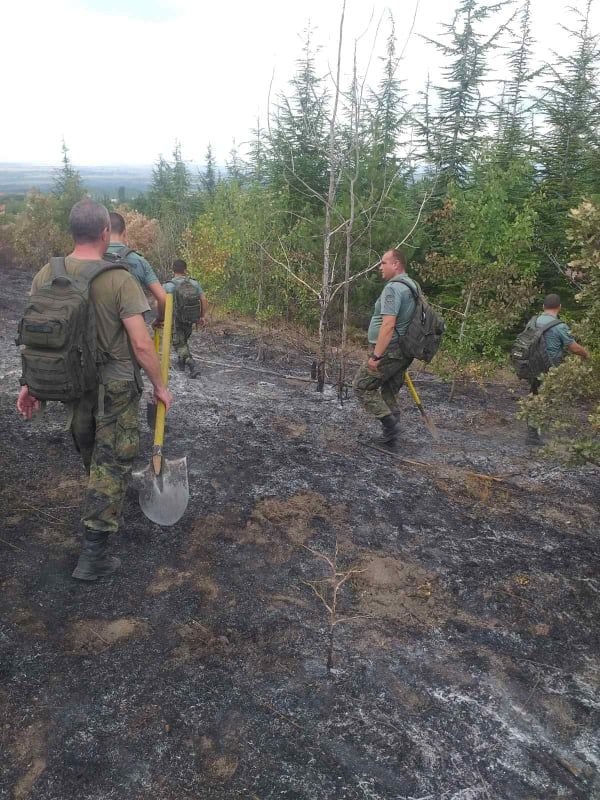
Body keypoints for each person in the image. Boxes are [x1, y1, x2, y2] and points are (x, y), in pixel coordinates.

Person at [17, 200, 173, 581]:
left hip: (72, 383)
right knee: (111, 463)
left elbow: (39, 336)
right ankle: (93, 556)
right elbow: (140, 343)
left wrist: (29, 384)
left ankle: (104, 501)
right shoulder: (119, 278)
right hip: (116, 386)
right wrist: (160, 386)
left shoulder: (46, 273)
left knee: (94, 455)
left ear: (72, 231)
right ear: (106, 232)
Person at [353, 249, 417, 445]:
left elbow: (388, 324)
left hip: (390, 350)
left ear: (396, 264)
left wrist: (376, 356)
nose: (380, 267)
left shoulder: (393, 289)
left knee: (361, 385)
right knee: (388, 391)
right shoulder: (412, 285)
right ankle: (391, 438)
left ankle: (391, 426)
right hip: (404, 351)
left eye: (383, 263)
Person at [525, 293, 589, 445]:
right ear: (559, 307)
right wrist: (587, 354)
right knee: (545, 398)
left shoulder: (533, 321)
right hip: (550, 368)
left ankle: (533, 432)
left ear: (543, 307)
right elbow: (573, 347)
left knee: (535, 395)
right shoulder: (559, 326)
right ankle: (534, 434)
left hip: (532, 365)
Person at [106, 211, 167, 326]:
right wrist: (160, 318)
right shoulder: (139, 261)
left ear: (103, 232)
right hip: (132, 332)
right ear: (124, 233)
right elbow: (162, 297)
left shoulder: (93, 257)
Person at [163, 259, 207, 379]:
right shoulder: (194, 283)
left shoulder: (168, 285)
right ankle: (181, 363)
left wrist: (161, 317)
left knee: (179, 343)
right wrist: (202, 316)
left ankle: (191, 365)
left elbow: (160, 303)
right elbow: (203, 299)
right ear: (185, 270)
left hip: (175, 320)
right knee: (183, 341)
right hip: (190, 318)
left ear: (173, 270)